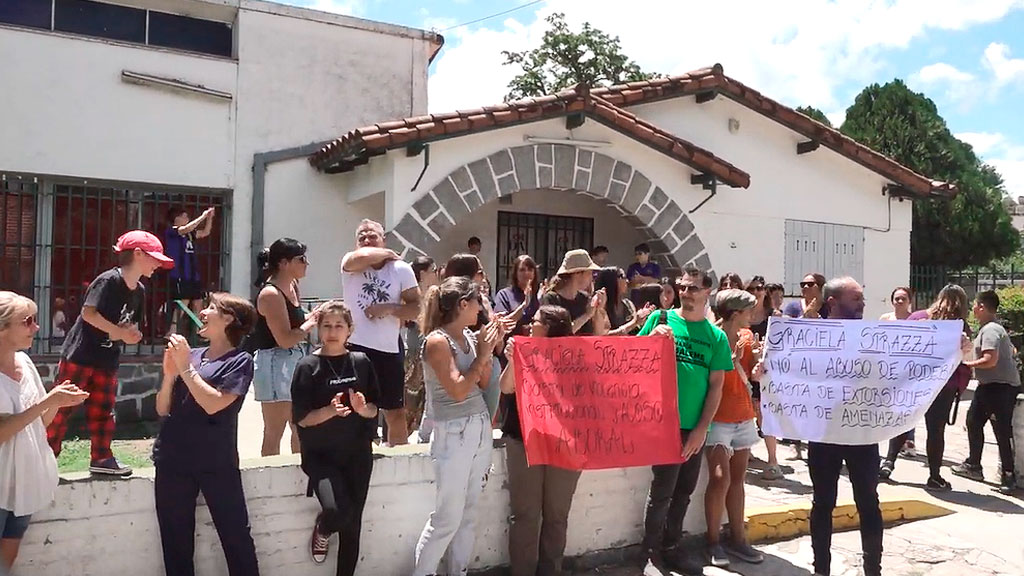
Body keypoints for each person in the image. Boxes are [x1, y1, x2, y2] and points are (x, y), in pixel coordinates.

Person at [47, 230, 173, 476]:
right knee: (62, 408)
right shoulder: (108, 281)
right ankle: (46, 457)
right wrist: (119, 331)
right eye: (154, 258)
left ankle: (101, 458)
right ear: (137, 254)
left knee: (103, 410)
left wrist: (130, 333)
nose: (158, 264)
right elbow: (88, 313)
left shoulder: (140, 290)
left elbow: (127, 324)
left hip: (107, 358)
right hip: (81, 354)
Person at [153, 293, 260, 576]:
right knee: (175, 543)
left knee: (235, 537)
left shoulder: (240, 361)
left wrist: (185, 367)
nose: (202, 312)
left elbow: (213, 404)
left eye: (212, 308)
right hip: (173, 458)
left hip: (216, 461)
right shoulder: (192, 356)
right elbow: (163, 408)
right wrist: (168, 374)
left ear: (229, 320)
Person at [637, 268, 731, 576]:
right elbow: (633, 359)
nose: (686, 293)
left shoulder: (715, 337)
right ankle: (651, 555)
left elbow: (716, 385)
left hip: (693, 426)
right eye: (682, 287)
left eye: (692, 288)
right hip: (662, 423)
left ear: (708, 292)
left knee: (684, 491)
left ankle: (671, 548)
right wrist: (651, 339)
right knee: (662, 491)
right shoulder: (661, 321)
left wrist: (702, 428)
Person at [413, 277, 503, 576]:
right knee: (446, 519)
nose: (481, 308)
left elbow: (484, 381)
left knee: (468, 515)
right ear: (463, 304)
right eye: (477, 301)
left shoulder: (467, 335)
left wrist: (487, 350)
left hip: (476, 427)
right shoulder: (438, 341)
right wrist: (481, 355)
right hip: (453, 432)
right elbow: (457, 390)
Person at [0, 291, 88, 571]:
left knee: (6, 560)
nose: (36, 327)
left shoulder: (24, 363)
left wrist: (58, 401)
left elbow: (39, 424)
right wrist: (48, 401)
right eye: (27, 321)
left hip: (22, 484)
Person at [291, 300, 380, 574]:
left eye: (339, 326)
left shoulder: (361, 362)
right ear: (318, 329)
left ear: (350, 330)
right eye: (326, 325)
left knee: (353, 528)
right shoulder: (307, 366)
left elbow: (375, 409)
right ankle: (324, 526)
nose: (332, 331)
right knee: (342, 514)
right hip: (321, 459)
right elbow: (301, 418)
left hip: (357, 456)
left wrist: (362, 408)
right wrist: (329, 411)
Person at [804, 277, 881, 576]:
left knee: (868, 502)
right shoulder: (809, 336)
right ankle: (821, 569)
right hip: (823, 433)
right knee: (823, 502)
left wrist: (957, 349)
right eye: (856, 299)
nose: (862, 304)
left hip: (863, 432)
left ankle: (873, 569)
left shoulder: (874, 336)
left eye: (862, 298)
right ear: (833, 302)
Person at [499, 305, 579, 576]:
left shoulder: (576, 360)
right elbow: (505, 387)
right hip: (524, 441)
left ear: (549, 328)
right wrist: (513, 360)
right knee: (525, 515)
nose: (529, 325)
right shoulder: (522, 350)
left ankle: (550, 571)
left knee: (557, 515)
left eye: (535, 322)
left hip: (564, 444)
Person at [879, 284, 971, 491]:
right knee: (936, 430)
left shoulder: (917, 318)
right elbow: (963, 358)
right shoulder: (960, 326)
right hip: (943, 385)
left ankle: (888, 463)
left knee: (903, 422)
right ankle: (934, 475)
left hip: (914, 380)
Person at [341, 219, 421, 446]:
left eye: (372, 236)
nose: (367, 240)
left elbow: (416, 307)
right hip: (354, 347)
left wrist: (389, 308)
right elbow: (359, 259)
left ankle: (400, 460)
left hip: (388, 349)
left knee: (395, 412)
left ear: (383, 238)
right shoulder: (350, 263)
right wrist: (386, 252)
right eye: (362, 237)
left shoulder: (401, 269)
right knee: (355, 409)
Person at [704, 289, 765, 567]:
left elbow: (751, 376)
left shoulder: (747, 337)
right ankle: (713, 541)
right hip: (718, 417)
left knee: (738, 480)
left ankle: (738, 539)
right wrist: (732, 358)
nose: (753, 315)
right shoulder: (711, 337)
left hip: (742, 413)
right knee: (720, 479)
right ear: (735, 313)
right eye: (748, 310)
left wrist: (757, 366)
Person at [251, 238, 319, 456]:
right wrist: (312, 322)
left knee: (301, 425)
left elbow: (296, 324)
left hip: (295, 359)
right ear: (283, 263)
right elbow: (284, 338)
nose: (306, 264)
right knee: (275, 430)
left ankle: (299, 478)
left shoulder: (292, 285)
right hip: (274, 362)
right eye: (301, 259)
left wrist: (317, 315)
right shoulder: (270, 294)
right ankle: (269, 482)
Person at [953, 290, 1020, 494]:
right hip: (989, 386)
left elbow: (990, 360)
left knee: (1001, 431)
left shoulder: (991, 330)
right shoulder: (991, 329)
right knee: (973, 422)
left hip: (1000, 387)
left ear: (981, 307)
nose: (973, 309)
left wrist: (965, 365)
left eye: (975, 305)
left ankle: (1008, 476)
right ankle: (974, 465)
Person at [744, 277, 782, 480]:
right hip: (743, 368)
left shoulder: (773, 316)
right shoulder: (742, 314)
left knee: (764, 415)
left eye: (760, 288)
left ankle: (773, 460)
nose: (756, 292)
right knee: (746, 412)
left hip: (766, 371)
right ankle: (747, 451)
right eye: (752, 288)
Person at [163, 206, 215, 337]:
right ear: (176, 218)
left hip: (193, 273)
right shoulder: (172, 231)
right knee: (183, 301)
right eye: (185, 216)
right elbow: (186, 229)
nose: (187, 219)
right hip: (180, 273)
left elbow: (205, 232)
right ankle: (172, 330)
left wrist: (209, 218)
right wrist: (202, 216)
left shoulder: (189, 234)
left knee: (197, 301)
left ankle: (199, 331)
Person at [879, 286, 918, 455]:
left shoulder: (915, 320)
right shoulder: (885, 319)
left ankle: (909, 440)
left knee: (908, 404)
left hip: (909, 370)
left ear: (910, 301)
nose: (900, 301)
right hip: (889, 370)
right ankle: (895, 438)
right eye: (897, 298)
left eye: (903, 298)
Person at [406, 257, 438, 441]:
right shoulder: (412, 294)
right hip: (414, 352)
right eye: (433, 269)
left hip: (428, 351)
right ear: (423, 273)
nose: (436, 273)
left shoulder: (434, 293)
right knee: (411, 398)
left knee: (427, 400)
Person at [543, 250, 608, 336]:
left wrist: (598, 310)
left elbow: (599, 334)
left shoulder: (585, 299)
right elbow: (560, 335)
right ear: (577, 273)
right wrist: (587, 315)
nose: (592, 278)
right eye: (589, 273)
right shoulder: (551, 299)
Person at [594, 267, 654, 335]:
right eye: (623, 277)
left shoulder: (628, 305)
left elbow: (635, 332)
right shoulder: (600, 305)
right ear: (611, 280)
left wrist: (641, 319)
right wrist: (634, 323)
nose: (627, 281)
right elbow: (602, 335)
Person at [494, 255, 540, 338]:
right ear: (515, 273)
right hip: (510, 344)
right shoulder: (504, 295)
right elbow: (503, 323)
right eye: (522, 270)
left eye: (530, 270)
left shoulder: (539, 295)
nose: (526, 273)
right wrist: (524, 305)